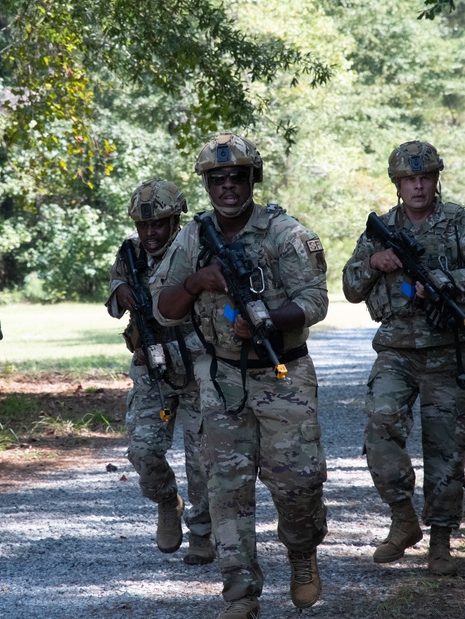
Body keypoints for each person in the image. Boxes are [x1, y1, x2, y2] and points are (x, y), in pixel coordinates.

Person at [153, 133, 328, 619]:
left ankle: (301, 550)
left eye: (237, 177)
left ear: (253, 178)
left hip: (282, 374)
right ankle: (240, 592)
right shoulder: (192, 237)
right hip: (222, 379)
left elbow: (315, 300)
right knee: (225, 489)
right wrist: (197, 280)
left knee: (299, 484)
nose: (227, 187)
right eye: (217, 179)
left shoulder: (284, 232)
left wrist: (269, 319)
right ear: (207, 184)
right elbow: (164, 309)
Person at [342, 140, 465, 576]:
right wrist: (376, 261)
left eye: (425, 177)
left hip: (448, 351)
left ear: (436, 179)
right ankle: (403, 519)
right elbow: (351, 286)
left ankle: (441, 542)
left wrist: (446, 282)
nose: (417, 185)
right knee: (380, 426)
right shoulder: (382, 227)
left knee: (446, 449)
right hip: (396, 351)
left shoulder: (456, 223)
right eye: (409, 179)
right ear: (397, 183)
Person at [105, 179, 213, 565]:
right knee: (143, 451)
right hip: (151, 366)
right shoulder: (130, 253)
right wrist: (120, 292)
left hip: (197, 365)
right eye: (143, 226)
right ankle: (168, 501)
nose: (150, 233)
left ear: (174, 221)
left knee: (202, 460)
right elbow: (116, 285)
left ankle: (203, 534)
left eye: (159, 225)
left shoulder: (196, 250)